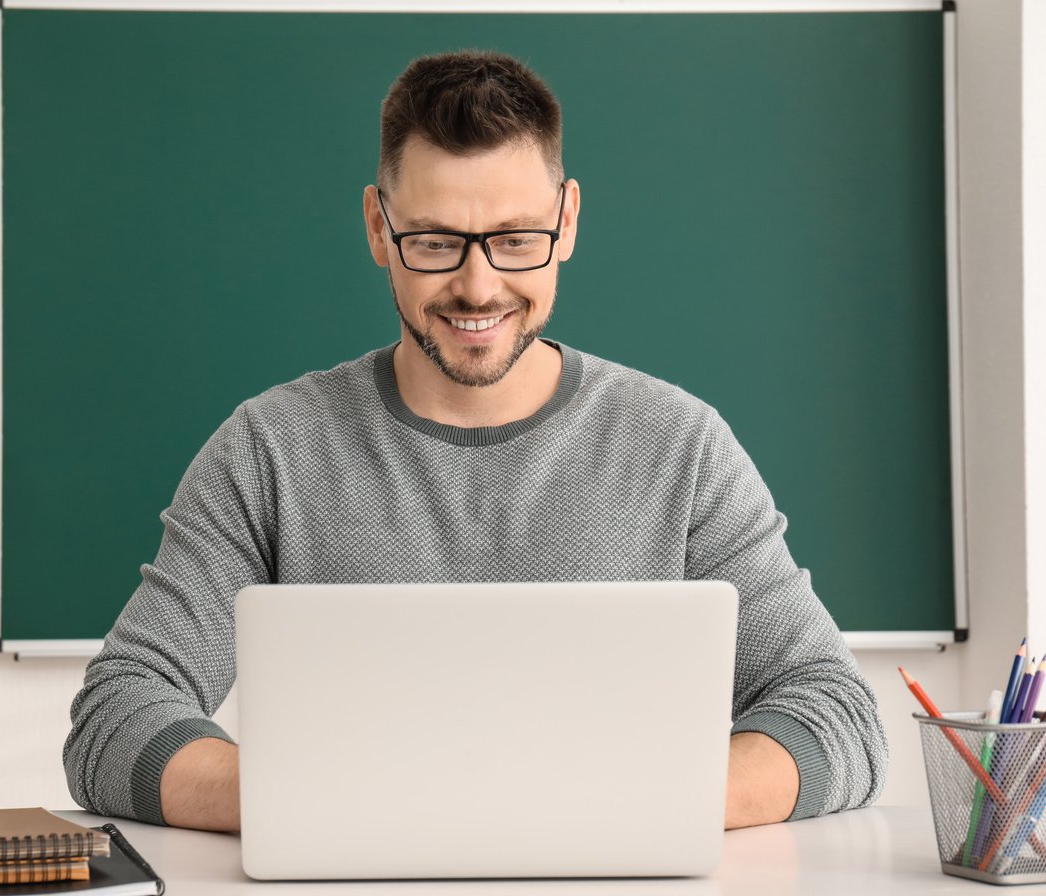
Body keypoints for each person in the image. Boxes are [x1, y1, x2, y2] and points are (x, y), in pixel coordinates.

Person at [63, 50, 888, 834]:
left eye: (515, 239)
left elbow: (836, 715)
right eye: (434, 243)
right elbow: (117, 716)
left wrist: (622, 801)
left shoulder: (679, 447)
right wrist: (327, 801)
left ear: (566, 221)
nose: (479, 285)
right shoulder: (272, 450)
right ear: (378, 229)